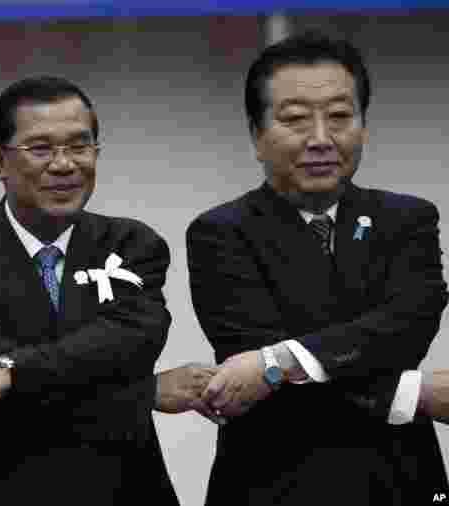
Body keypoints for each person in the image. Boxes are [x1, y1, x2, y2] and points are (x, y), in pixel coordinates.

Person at [188, 33, 449, 505]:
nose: (321, 139)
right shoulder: (221, 232)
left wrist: (278, 362)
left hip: (401, 478)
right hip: (276, 483)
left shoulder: (408, 219)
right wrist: (412, 395)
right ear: (257, 135)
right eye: (295, 119)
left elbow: (407, 326)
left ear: (363, 127)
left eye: (340, 116)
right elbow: (264, 387)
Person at [0, 75, 202, 504]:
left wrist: (8, 373)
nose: (64, 164)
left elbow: (130, 342)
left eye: (79, 146)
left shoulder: (131, 244)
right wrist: (144, 393)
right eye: (41, 149)